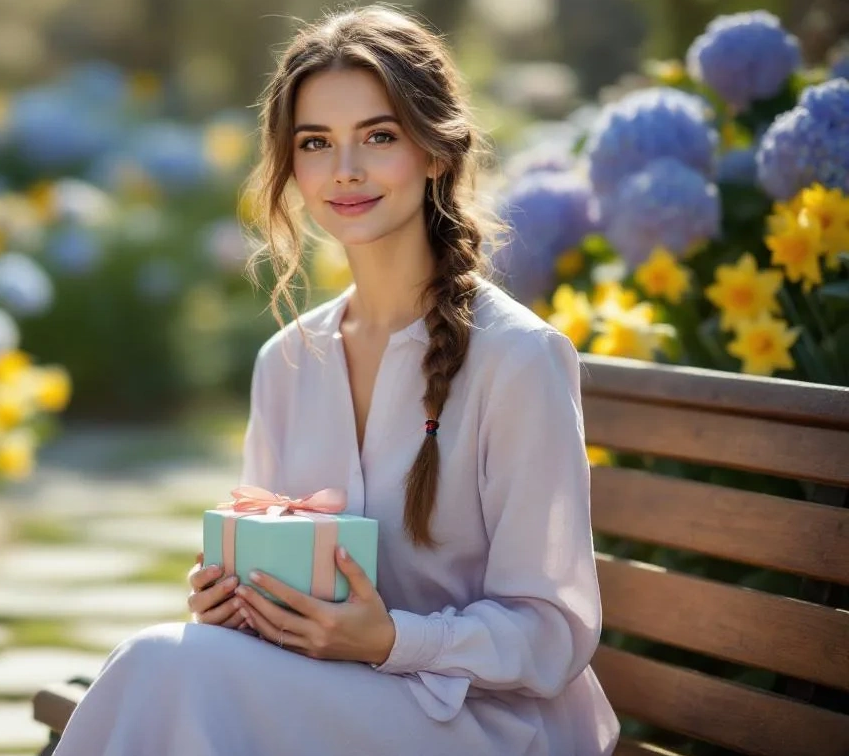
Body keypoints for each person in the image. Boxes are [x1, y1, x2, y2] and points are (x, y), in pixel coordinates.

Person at [50, 5, 621, 754]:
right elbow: (275, 575)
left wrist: (390, 639)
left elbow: (551, 631)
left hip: (485, 725)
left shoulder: (518, 359)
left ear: (436, 152)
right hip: (332, 700)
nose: (345, 169)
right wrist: (235, 602)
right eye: (315, 143)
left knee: (160, 670)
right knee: (169, 669)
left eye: (379, 136)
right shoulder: (286, 361)